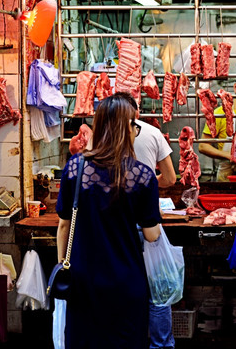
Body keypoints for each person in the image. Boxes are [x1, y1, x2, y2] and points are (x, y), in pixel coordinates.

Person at [56, 95, 162, 349]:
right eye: (134, 126)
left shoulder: (75, 168)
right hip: (126, 282)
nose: (136, 132)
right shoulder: (142, 176)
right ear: (125, 128)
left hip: (83, 281)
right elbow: (152, 235)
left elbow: (63, 225)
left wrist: (63, 264)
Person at [114, 91, 178, 349]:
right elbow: (171, 179)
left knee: (121, 293)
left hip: (114, 229)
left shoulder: (100, 140)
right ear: (135, 115)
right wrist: (149, 188)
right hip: (146, 225)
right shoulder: (152, 133)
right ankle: (161, 345)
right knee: (158, 292)